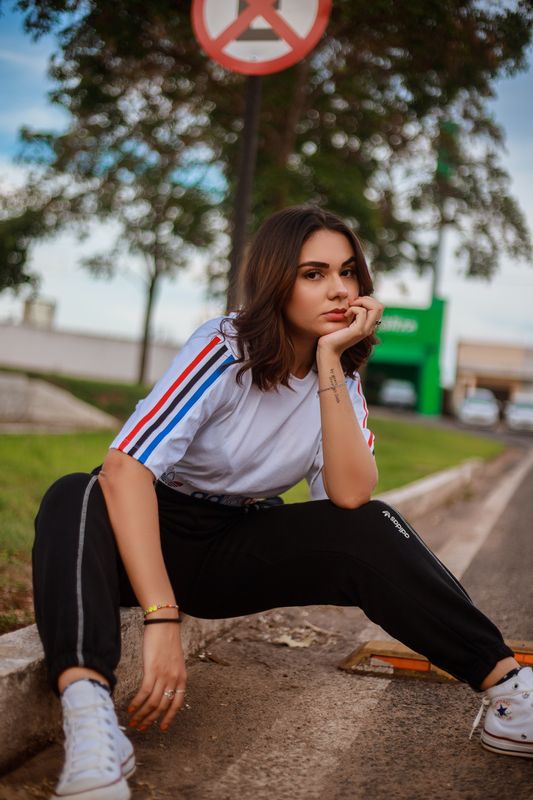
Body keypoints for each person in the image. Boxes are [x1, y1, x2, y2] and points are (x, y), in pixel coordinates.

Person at [33, 205, 533, 800]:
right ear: (278, 280)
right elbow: (127, 467)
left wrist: (329, 363)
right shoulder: (225, 346)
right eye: (314, 273)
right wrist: (162, 619)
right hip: (149, 531)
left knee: (372, 525)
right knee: (77, 492)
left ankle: (510, 693)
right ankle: (93, 724)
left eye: (348, 272)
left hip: (235, 549)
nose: (339, 289)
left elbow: (349, 496)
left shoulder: (340, 380)